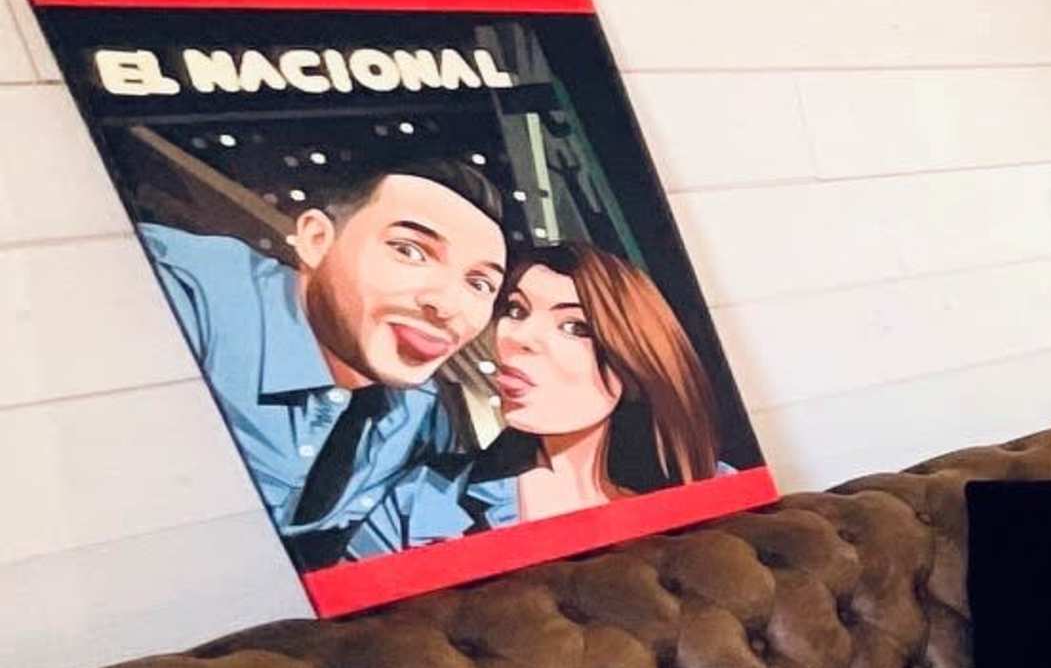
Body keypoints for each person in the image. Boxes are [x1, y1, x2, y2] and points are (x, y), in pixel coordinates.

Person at [132, 148, 513, 568]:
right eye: (409, 250)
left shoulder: (424, 413)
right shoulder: (175, 293)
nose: (446, 305)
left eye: (479, 283)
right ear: (316, 240)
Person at [479, 240, 729, 519]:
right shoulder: (437, 500)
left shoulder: (714, 489)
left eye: (574, 327)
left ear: (633, 359)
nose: (519, 336)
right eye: (516, 311)